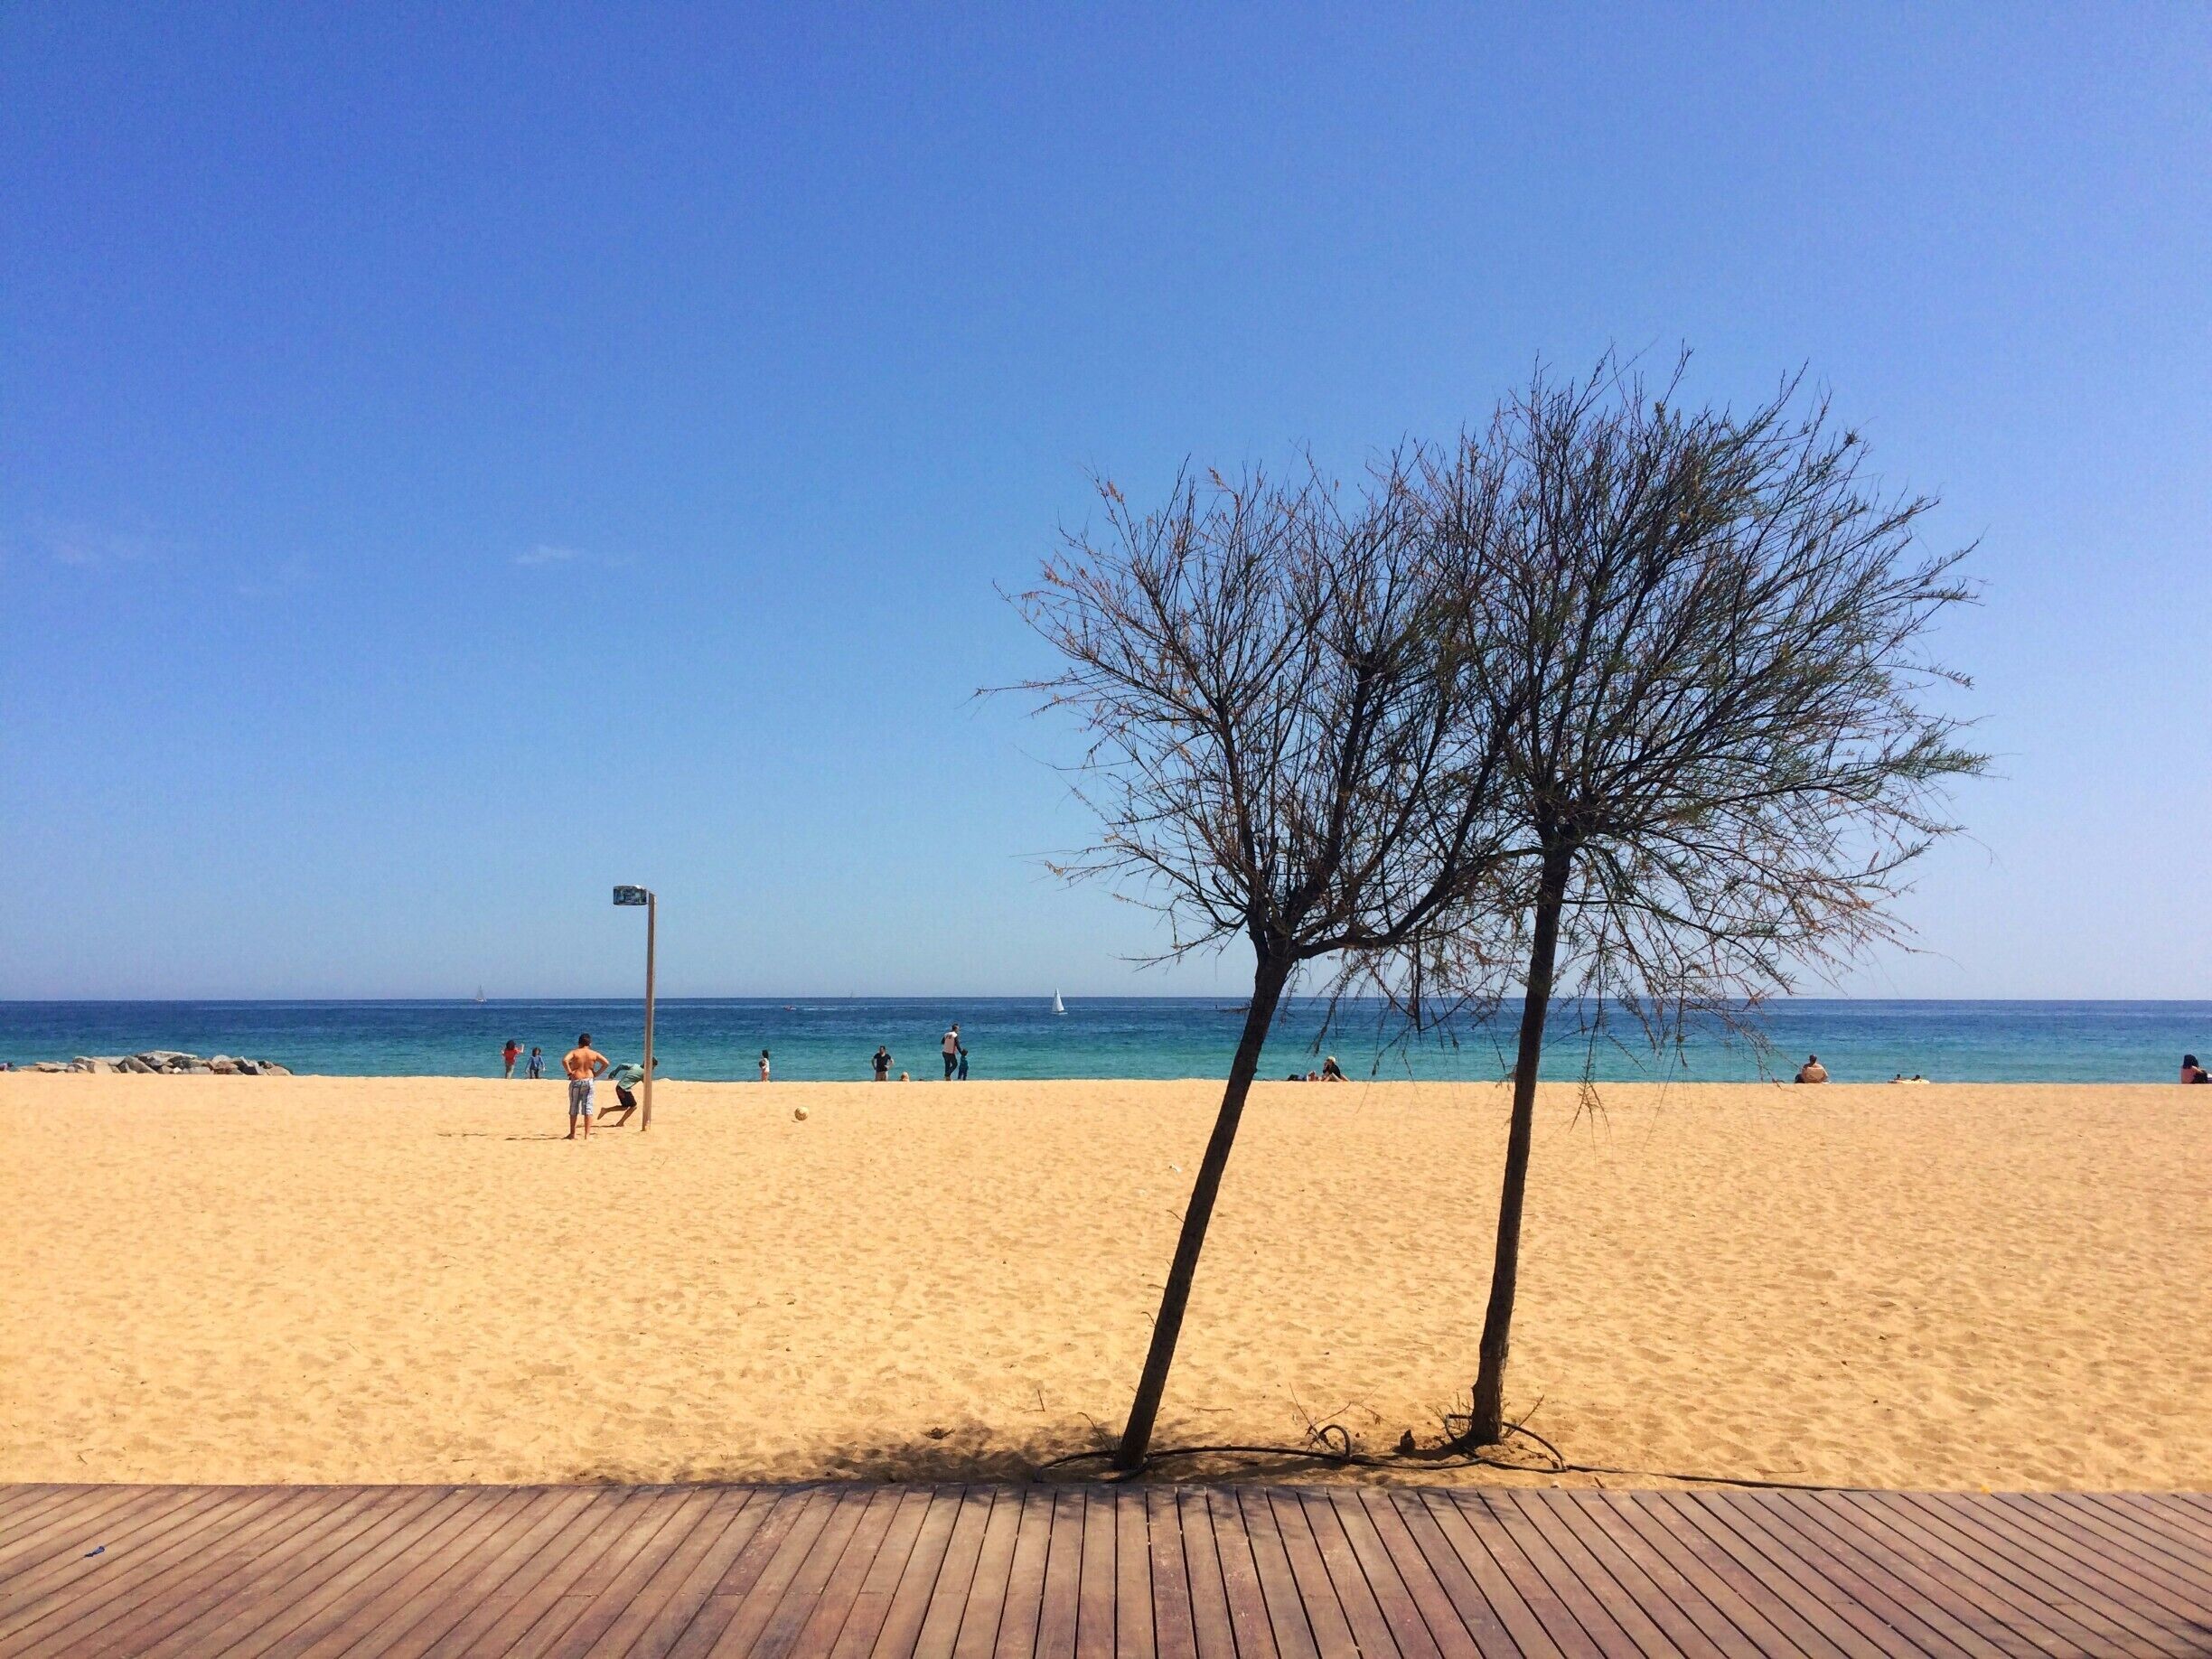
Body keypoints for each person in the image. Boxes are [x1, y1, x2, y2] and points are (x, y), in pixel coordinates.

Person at [563, 1032, 608, 1139]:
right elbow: (606, 1063)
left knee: (574, 1107)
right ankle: (587, 1135)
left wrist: (569, 1073)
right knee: (588, 1107)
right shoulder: (593, 1054)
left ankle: (572, 1133)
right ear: (590, 1043)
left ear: (579, 1043)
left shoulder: (575, 1052)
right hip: (589, 1080)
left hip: (577, 1080)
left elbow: (565, 1060)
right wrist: (596, 1073)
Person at [603, 1056, 658, 1126]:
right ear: (650, 1065)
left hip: (620, 1087)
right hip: (623, 1089)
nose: (653, 1069)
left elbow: (621, 1065)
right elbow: (646, 1085)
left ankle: (605, 1110)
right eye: (653, 1067)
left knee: (625, 1107)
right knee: (633, 1106)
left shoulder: (635, 1065)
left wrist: (613, 1074)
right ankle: (620, 1122)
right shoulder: (645, 1073)